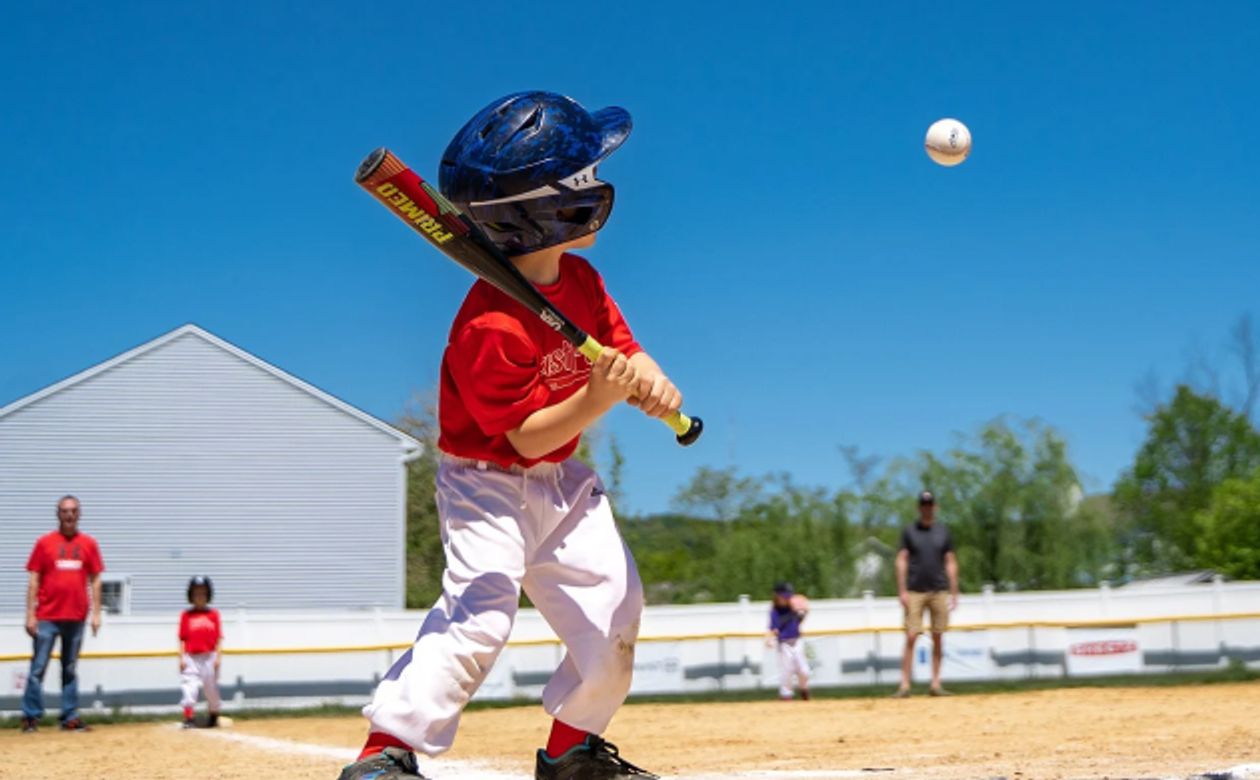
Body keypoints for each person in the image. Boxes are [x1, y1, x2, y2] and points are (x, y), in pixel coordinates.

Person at [338, 91, 685, 780]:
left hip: (563, 484)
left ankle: (571, 751)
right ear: (547, 210)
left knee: (617, 605)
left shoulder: (580, 278)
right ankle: (388, 753)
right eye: (582, 178)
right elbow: (525, 438)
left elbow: (624, 346)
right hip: (484, 484)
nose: (598, 185)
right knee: (482, 610)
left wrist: (650, 377)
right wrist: (598, 396)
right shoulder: (487, 325)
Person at [21, 495, 104, 733]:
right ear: (58, 514)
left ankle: (69, 717)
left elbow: (96, 579)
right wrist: (30, 614)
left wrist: (97, 613)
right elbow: (34, 579)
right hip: (47, 616)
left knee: (69, 667)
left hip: (76, 617)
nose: (69, 515)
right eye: (65, 511)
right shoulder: (44, 543)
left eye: (74, 511)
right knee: (38, 668)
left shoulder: (89, 544)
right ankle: (30, 716)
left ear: (79, 514)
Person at [893, 490, 959, 698]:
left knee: (938, 636)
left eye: (930, 504)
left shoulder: (943, 532)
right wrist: (902, 590)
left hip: (939, 590)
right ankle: (904, 685)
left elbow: (950, 561)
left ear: (935, 507)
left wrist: (954, 590)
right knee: (911, 635)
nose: (927, 508)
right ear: (919, 507)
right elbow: (901, 559)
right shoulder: (909, 531)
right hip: (915, 591)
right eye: (923, 504)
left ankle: (935, 683)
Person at [178, 575, 222, 729]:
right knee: (189, 686)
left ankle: (213, 714)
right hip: (191, 656)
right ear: (191, 596)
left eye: (203, 593)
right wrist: (181, 658)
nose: (200, 597)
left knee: (210, 687)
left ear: (208, 595)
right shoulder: (186, 615)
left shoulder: (214, 615)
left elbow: (218, 638)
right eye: (196, 593)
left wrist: (218, 657)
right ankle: (189, 717)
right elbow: (182, 639)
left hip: (209, 655)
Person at [767, 582, 810, 701]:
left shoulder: (793, 606)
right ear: (777, 596)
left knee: (804, 670)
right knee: (787, 671)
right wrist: (769, 639)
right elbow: (773, 628)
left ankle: (804, 689)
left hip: (797, 641)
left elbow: (803, 613)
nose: (786, 598)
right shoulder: (775, 611)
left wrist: (803, 611)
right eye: (783, 596)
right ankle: (786, 696)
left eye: (787, 596)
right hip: (784, 644)